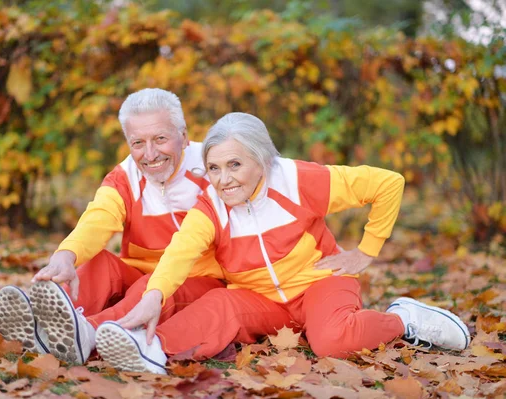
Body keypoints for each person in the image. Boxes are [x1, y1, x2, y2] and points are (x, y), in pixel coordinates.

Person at [93, 112, 471, 374]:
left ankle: (402, 321)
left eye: (235, 165)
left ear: (261, 160)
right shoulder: (211, 206)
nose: (223, 180)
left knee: (331, 340)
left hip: (319, 282)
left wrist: (366, 252)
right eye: (214, 168)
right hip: (261, 300)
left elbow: (388, 183)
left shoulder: (296, 179)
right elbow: (180, 253)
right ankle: (149, 347)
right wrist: (154, 296)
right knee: (220, 303)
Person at [0, 89, 225, 365]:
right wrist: (66, 255)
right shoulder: (125, 175)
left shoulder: (214, 167)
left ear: (183, 136)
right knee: (99, 262)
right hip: (139, 274)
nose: (150, 154)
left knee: (149, 284)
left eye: (160, 139)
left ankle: (87, 333)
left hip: (197, 282)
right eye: (137, 143)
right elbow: (98, 218)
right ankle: (46, 325)